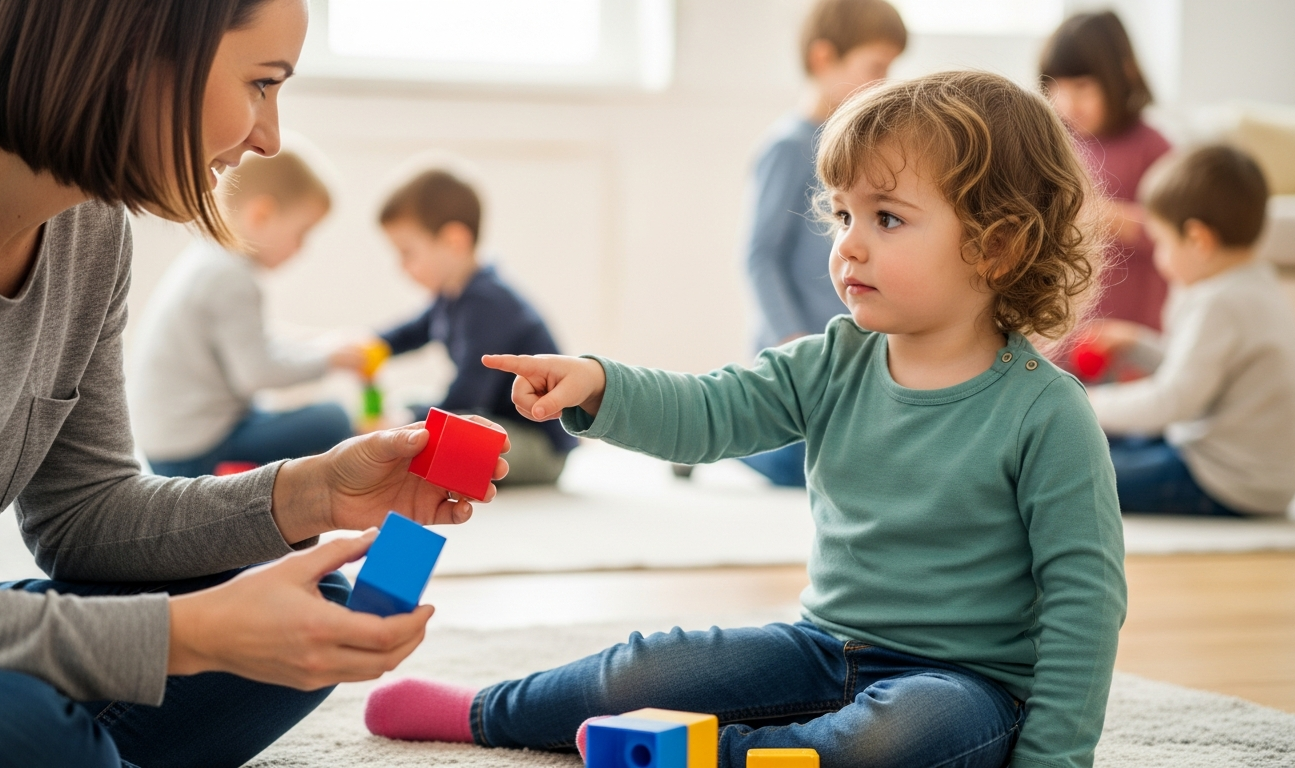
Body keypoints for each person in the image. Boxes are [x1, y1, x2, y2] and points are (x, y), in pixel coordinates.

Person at [366, 72, 1127, 768]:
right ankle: (487, 712)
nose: (847, 244)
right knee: (653, 665)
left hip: (966, 687)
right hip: (822, 647)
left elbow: (1083, 602)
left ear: (998, 248)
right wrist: (598, 385)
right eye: (842, 215)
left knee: (894, 740)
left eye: (887, 219)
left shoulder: (1046, 412)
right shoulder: (836, 358)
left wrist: (1053, 759)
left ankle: (709, 754)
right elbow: (711, 411)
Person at [0, 2, 506, 766]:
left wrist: (316, 492)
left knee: (305, 613)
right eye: (261, 84)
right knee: (30, 726)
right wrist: (186, 636)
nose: (271, 136)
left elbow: (82, 517)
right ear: (134, 50)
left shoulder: (89, 232)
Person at [1089, 146, 1295, 516]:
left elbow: (1172, 401)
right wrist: (1138, 343)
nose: (1158, 257)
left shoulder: (1219, 303)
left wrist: (1086, 404)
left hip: (1224, 482)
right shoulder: (1251, 284)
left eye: (1161, 243)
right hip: (1247, 474)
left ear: (1198, 240)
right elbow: (1199, 368)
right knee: (1109, 445)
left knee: (1087, 473)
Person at [739, 0, 905, 487]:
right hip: (801, 353)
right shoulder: (788, 147)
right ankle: (730, 445)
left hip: (850, 358)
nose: (885, 82)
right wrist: (791, 337)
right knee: (805, 466)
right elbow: (759, 257)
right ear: (823, 58)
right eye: (876, 67)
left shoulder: (864, 151)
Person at [131, 149, 362, 478]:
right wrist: (329, 360)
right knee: (334, 419)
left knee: (293, 417)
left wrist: (323, 344)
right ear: (262, 215)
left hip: (174, 442)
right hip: (195, 453)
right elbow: (256, 373)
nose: (302, 247)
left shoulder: (211, 258)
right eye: (301, 233)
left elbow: (257, 343)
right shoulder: (231, 277)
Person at [375, 168, 577, 485]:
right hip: (497, 423)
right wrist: (369, 346)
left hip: (538, 445)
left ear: (454, 241)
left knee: (425, 440)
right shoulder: (452, 294)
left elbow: (467, 397)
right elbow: (409, 334)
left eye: (407, 253)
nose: (401, 267)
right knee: (405, 405)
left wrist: (404, 425)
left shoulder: (487, 304)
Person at [1041, 11, 1172, 339]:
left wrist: (1107, 215)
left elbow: (1178, 229)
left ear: (1124, 74)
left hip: (1133, 328)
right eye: (1055, 87)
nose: (1067, 103)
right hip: (1069, 325)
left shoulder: (1153, 148)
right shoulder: (1057, 146)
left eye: (1082, 86)